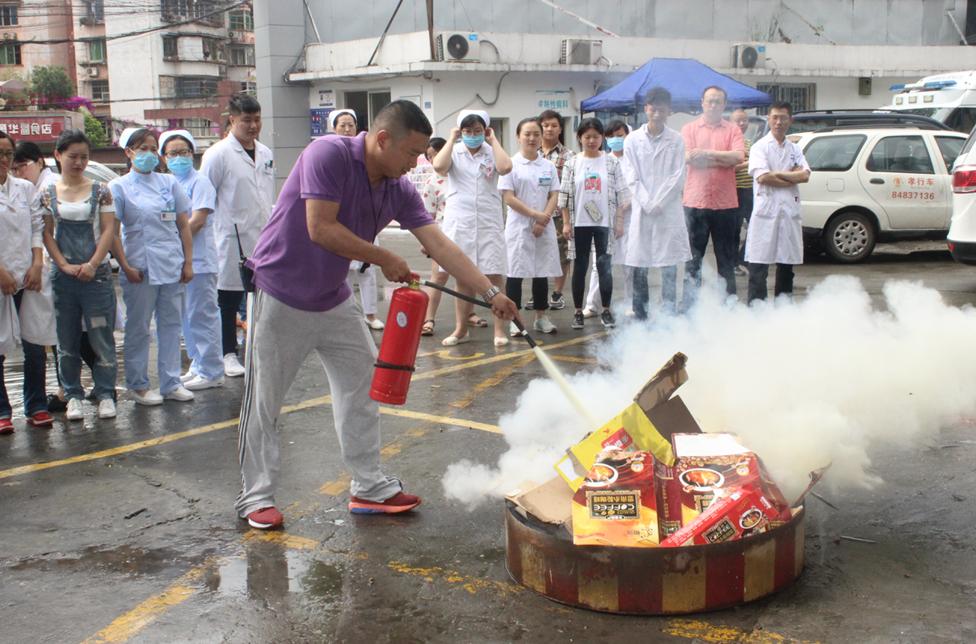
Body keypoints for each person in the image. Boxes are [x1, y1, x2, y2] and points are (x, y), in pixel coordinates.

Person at [235, 100, 518, 529]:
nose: (416, 163)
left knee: (363, 388)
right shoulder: (327, 154)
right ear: (383, 139)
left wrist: (491, 291)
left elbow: (441, 246)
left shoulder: (398, 188)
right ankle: (255, 497)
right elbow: (320, 227)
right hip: (279, 294)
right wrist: (384, 256)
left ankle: (368, 487)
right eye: (411, 153)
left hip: (333, 298)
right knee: (265, 402)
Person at [110, 128, 195, 406]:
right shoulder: (119, 187)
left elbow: (183, 225)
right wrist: (124, 265)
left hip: (171, 263)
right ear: (128, 153)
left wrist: (188, 262)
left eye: (151, 148)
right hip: (139, 267)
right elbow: (112, 232)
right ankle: (139, 385)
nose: (147, 154)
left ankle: (171, 382)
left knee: (171, 325)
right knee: (139, 328)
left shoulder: (169, 183)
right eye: (141, 148)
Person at [42, 129, 118, 420]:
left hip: (95, 277)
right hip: (63, 278)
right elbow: (47, 233)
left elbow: (109, 230)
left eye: (84, 157)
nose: (78, 162)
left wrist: (92, 263)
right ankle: (73, 395)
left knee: (101, 336)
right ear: (58, 156)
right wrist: (63, 265)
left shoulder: (101, 191)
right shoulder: (47, 193)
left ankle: (106, 393)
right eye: (72, 156)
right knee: (67, 339)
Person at [201, 94, 275, 378]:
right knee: (228, 297)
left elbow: (265, 194)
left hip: (262, 235)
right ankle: (227, 353)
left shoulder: (265, 152)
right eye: (247, 120)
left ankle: (254, 346)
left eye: (257, 120)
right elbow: (205, 198)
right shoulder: (217, 154)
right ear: (232, 120)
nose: (253, 126)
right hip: (228, 237)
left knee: (259, 295)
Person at [433, 109, 513, 347]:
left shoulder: (491, 152)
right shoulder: (454, 151)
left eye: (477, 131)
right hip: (461, 222)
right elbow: (439, 166)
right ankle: (461, 329)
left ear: (485, 131)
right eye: (468, 131)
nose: (472, 135)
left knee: (494, 275)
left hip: (488, 221)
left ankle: (499, 330)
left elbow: (506, 167)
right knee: (463, 277)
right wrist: (452, 138)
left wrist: (493, 139)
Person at [12, 140, 82, 412]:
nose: (18, 172)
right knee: (49, 335)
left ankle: (69, 389)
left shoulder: (48, 186)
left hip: (57, 268)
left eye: (22, 166)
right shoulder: (26, 189)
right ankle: (64, 389)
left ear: (40, 161)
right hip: (33, 271)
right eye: (14, 168)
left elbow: (43, 231)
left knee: (59, 335)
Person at [0, 132, 57, 433]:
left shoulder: (24, 188)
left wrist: (37, 263)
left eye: (8, 153)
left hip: (29, 277)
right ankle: (1, 411)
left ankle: (36, 405)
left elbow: (37, 227)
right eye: (0, 153)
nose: (4, 159)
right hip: (1, 279)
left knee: (35, 344)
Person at [159, 129, 223, 391]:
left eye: (183, 152)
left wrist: (169, 238)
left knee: (202, 314)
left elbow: (197, 220)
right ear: (164, 157)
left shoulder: (200, 182)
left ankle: (211, 370)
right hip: (176, 261)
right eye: (172, 153)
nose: (179, 158)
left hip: (199, 260)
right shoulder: (166, 184)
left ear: (192, 154)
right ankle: (197, 363)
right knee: (186, 316)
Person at [623, 88, 691, 321]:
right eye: (653, 107)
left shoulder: (676, 139)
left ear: (669, 111)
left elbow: (678, 176)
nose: (657, 112)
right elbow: (631, 175)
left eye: (662, 108)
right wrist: (646, 202)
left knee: (668, 263)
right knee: (640, 264)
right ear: (646, 109)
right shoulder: (632, 140)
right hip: (642, 210)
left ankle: (669, 314)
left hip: (667, 210)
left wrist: (659, 202)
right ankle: (641, 314)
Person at [559, 117, 629, 330]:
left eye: (596, 137)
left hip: (604, 224)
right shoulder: (572, 163)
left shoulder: (611, 162)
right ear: (579, 138)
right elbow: (564, 196)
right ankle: (578, 311)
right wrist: (566, 223)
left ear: (602, 138)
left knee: (604, 267)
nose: (591, 141)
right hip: (579, 222)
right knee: (580, 268)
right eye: (587, 137)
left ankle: (606, 310)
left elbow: (621, 194)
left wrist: (618, 222)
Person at [680, 86, 745, 309]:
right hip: (695, 203)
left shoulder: (733, 130)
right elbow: (688, 157)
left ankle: (729, 304)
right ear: (702, 102)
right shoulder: (689, 129)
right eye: (710, 101)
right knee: (692, 259)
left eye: (718, 101)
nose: (714, 105)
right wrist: (722, 159)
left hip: (725, 204)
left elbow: (737, 157)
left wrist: (707, 154)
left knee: (726, 259)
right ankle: (690, 307)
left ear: (724, 105)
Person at [744, 101, 810, 303]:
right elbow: (763, 178)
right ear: (769, 119)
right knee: (758, 267)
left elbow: (805, 175)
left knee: (786, 267)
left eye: (783, 118)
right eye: (774, 118)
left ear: (790, 120)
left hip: (788, 212)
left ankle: (783, 311)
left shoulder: (795, 149)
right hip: (766, 212)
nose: (778, 122)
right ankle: (756, 312)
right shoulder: (759, 147)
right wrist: (790, 176)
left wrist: (778, 174)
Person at [500, 117, 560, 335]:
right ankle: (515, 320)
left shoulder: (548, 166)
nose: (532, 138)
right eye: (527, 134)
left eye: (536, 134)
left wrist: (543, 220)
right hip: (519, 227)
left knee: (541, 272)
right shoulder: (510, 165)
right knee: (515, 273)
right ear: (518, 137)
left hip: (543, 225)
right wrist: (536, 216)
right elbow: (509, 197)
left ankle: (541, 317)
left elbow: (554, 194)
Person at [330, 109, 386, 331]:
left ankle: (371, 314)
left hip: (366, 221)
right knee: (341, 272)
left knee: (368, 270)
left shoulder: (366, 154)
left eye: (350, 125)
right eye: (342, 125)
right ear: (333, 128)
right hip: (340, 222)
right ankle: (345, 316)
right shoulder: (329, 153)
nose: (346, 129)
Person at [584, 119, 633, 318]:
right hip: (603, 220)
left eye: (619, 136)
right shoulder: (603, 160)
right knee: (600, 264)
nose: (615, 140)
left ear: (628, 136)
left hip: (628, 219)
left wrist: (622, 210)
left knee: (630, 263)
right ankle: (593, 304)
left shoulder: (633, 160)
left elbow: (634, 189)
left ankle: (632, 302)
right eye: (611, 136)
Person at [538, 110, 574, 310]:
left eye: (553, 125)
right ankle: (539, 292)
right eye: (545, 125)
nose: (549, 129)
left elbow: (569, 189)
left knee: (562, 254)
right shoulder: (532, 153)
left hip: (559, 214)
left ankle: (557, 294)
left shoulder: (569, 156)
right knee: (538, 253)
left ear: (560, 128)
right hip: (535, 212)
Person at [419, 137, 449, 336]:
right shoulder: (431, 183)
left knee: (468, 279)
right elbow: (427, 217)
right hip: (442, 237)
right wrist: (426, 241)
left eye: (436, 153)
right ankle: (429, 318)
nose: (433, 159)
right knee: (438, 278)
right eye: (429, 156)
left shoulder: (461, 175)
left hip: (466, 232)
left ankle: (469, 314)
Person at [730, 109, 754, 274]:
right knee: (734, 229)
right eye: (737, 121)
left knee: (755, 226)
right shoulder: (728, 143)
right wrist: (748, 163)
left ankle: (742, 259)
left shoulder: (750, 143)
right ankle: (733, 264)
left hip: (750, 190)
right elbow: (729, 168)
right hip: (733, 191)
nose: (741, 124)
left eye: (744, 120)